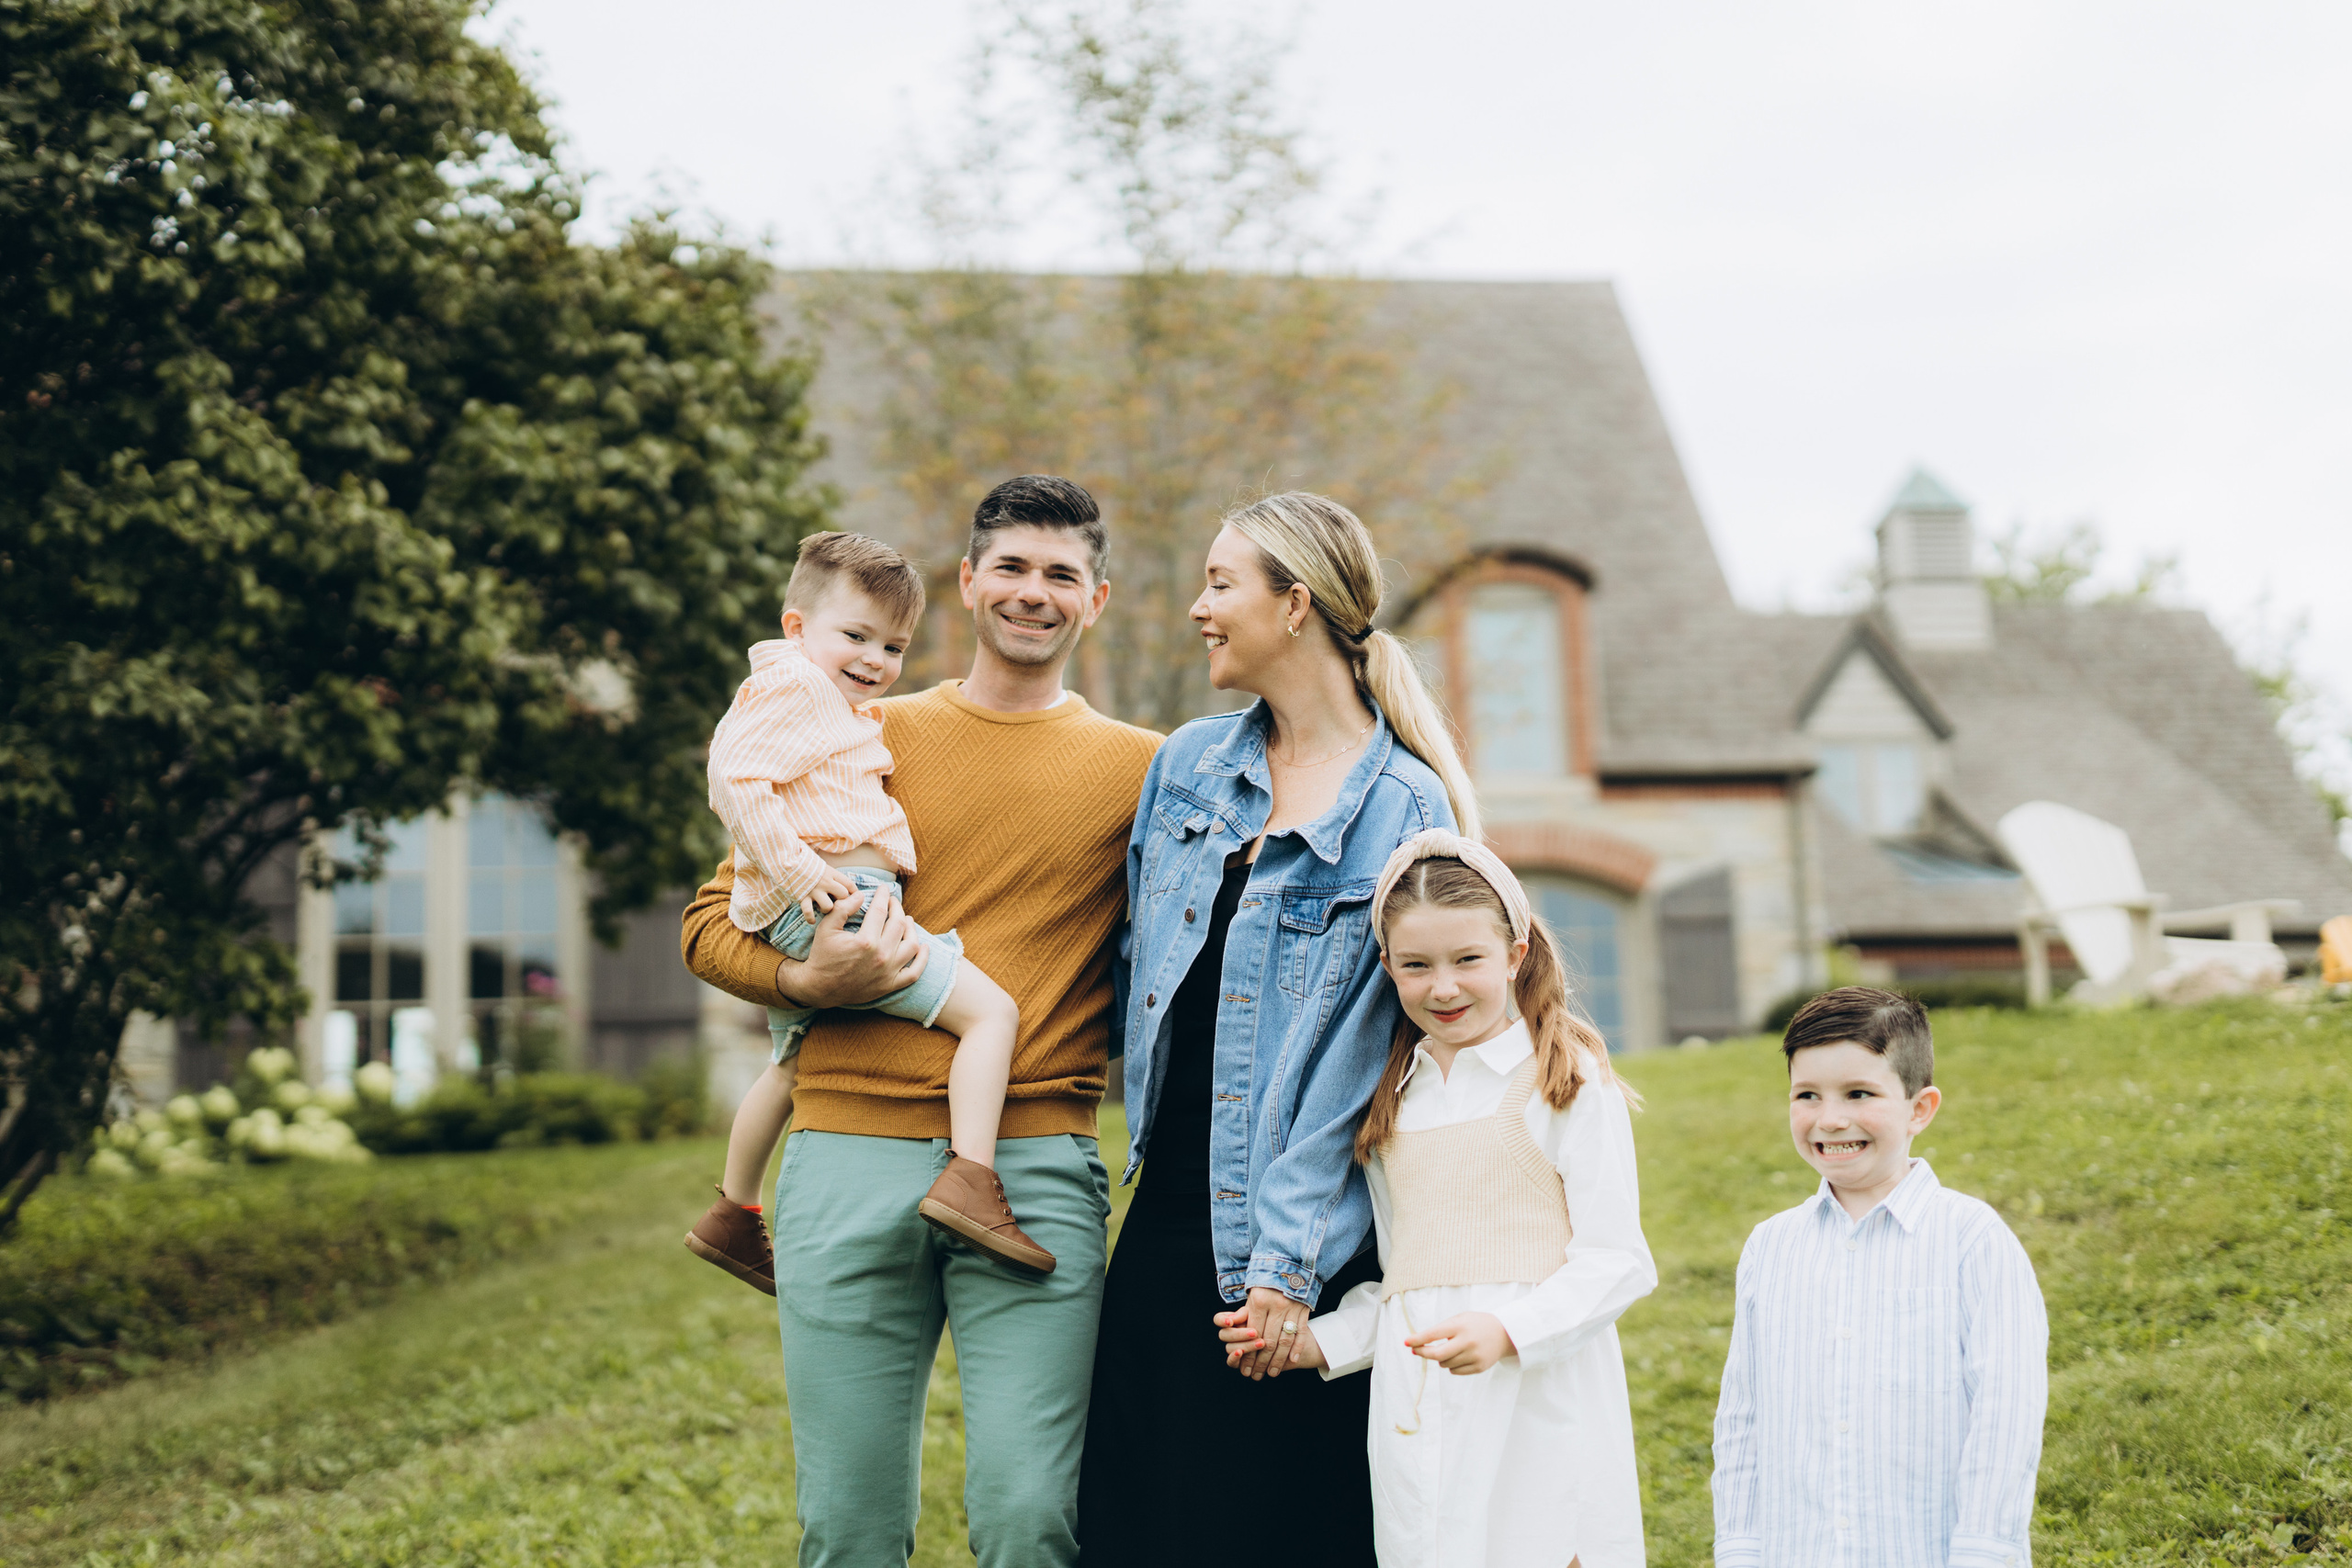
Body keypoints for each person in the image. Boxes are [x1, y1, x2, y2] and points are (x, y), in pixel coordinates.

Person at [680, 477, 1160, 1568]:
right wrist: (808, 987)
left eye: (1061, 575)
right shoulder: (855, 724)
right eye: (1012, 567)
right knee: (846, 1528)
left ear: (1097, 600)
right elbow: (710, 925)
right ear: (969, 582)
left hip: (1030, 1165)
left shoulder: (1146, 768)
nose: (1033, 593)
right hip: (844, 1155)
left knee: (1030, 1516)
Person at [1079, 492, 1483, 1565]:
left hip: (1296, 1244)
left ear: (1295, 605)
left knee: (1273, 1530)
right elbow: (1132, 971)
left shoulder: (1403, 808)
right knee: (1137, 1524)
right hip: (1166, 1217)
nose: (1200, 610)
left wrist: (1285, 1269)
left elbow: (1365, 1059)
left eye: (1222, 584)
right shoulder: (1187, 768)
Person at [1238, 830, 1656, 1568]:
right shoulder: (1394, 1098)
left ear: (1516, 954)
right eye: (1417, 966)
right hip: (1419, 1397)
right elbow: (1410, 1281)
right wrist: (1324, 1341)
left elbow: (1617, 1261)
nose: (1445, 987)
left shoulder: (1563, 1080)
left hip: (1537, 1387)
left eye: (1469, 960)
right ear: (1387, 967)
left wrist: (1508, 1328)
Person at [687, 530, 1051, 1286]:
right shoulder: (797, 687)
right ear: (796, 627)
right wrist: (799, 870)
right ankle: (972, 1180)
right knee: (992, 1015)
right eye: (854, 635)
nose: (873, 660)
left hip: (812, 909)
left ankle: (734, 1211)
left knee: (789, 1066)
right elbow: (733, 777)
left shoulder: (831, 701)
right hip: (843, 904)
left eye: (893, 646)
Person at [1710, 987, 2049, 1568]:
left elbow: (2006, 1413)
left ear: (1920, 1108)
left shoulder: (1971, 1238)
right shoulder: (1771, 1247)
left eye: (1859, 1093)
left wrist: (1983, 1552)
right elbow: (1743, 1416)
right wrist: (1740, 1548)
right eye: (1807, 1095)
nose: (1830, 1118)